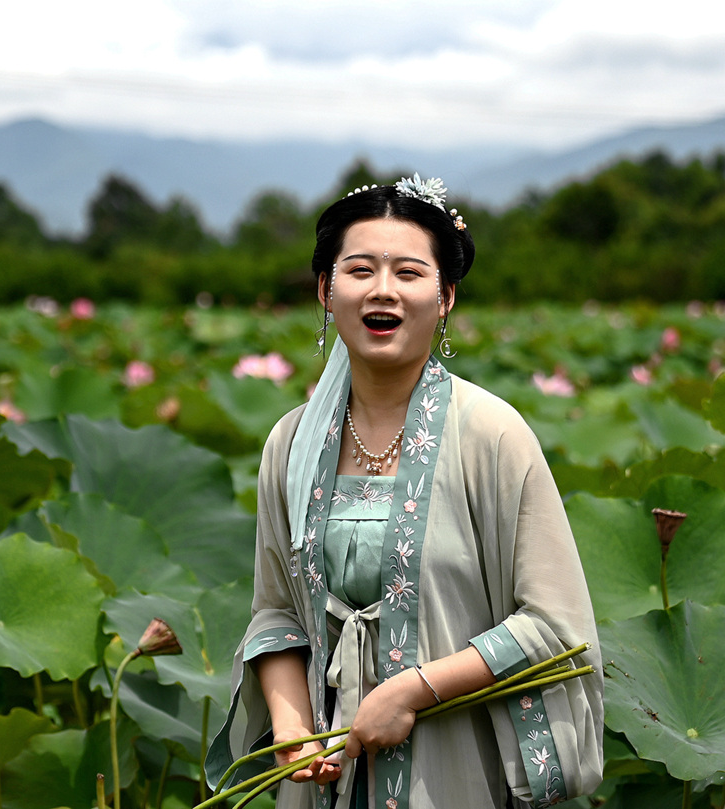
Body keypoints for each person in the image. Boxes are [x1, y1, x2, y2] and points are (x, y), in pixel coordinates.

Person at [206, 176, 604, 809]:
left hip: (451, 769)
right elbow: (277, 614)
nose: (383, 289)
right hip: (327, 775)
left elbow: (556, 631)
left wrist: (412, 690)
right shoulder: (290, 443)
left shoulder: (492, 436)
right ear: (325, 291)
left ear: (444, 298)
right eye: (359, 269)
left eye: (410, 273)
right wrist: (289, 728)